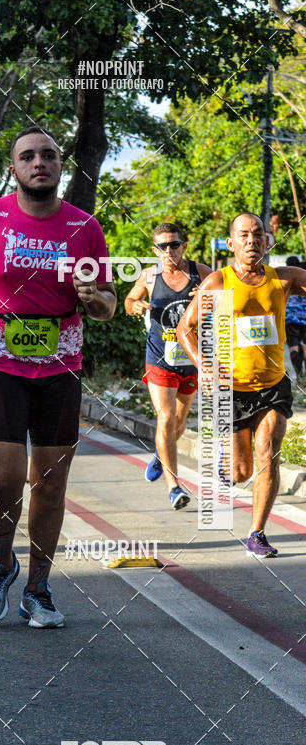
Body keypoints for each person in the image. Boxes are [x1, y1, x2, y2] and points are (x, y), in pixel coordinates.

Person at [0, 125, 116, 628]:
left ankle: (38, 587)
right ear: (14, 168)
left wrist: (94, 299)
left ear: (60, 165)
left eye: (49, 155)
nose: (39, 162)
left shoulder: (84, 227)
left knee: (51, 482)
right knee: (4, 477)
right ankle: (1, 564)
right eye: (28, 156)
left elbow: (107, 303)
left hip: (62, 362)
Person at [177, 212, 306, 558]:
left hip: (273, 385)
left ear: (267, 241)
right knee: (240, 471)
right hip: (232, 389)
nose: (252, 241)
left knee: (269, 453)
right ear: (231, 243)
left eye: (258, 234)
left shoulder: (285, 279)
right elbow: (185, 328)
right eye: (244, 235)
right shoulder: (218, 282)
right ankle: (228, 459)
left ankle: (256, 533)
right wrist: (205, 366)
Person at [125, 223, 211, 509]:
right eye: (163, 246)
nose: (169, 251)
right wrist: (135, 306)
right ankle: (174, 488)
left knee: (179, 421)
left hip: (191, 358)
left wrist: (209, 300)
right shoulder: (149, 276)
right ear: (155, 250)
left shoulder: (202, 273)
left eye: (174, 245)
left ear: (184, 245)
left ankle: (160, 454)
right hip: (159, 357)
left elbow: (227, 298)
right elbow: (129, 300)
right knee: (166, 416)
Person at [285, 256, 306, 377]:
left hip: (290, 318)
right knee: (304, 346)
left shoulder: (286, 278)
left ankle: (299, 374)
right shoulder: (302, 275)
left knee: (294, 346)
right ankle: (304, 378)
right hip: (304, 317)